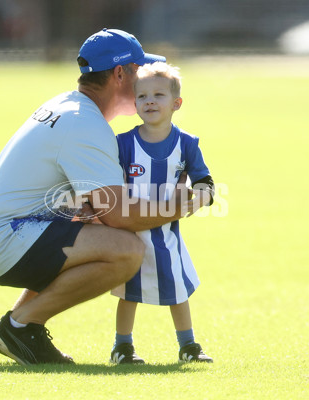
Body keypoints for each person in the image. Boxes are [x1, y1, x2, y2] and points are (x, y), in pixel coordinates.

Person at [0, 28, 190, 365]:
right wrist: (180, 204)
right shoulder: (85, 124)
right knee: (125, 251)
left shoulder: (67, 104)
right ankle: (20, 326)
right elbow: (120, 216)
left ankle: (20, 327)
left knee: (97, 230)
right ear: (120, 74)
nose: (148, 82)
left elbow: (89, 207)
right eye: (141, 71)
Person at [109, 62, 215, 364]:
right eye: (142, 97)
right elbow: (111, 184)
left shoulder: (187, 143)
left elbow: (204, 180)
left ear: (176, 103)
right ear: (134, 103)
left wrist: (202, 196)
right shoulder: (124, 144)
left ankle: (188, 346)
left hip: (168, 234)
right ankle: (122, 347)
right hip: (130, 233)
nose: (150, 101)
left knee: (177, 290)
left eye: (158, 95)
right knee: (129, 293)